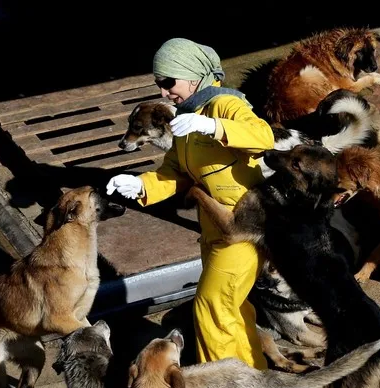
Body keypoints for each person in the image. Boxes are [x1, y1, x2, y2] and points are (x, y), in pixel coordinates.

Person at [107, 39, 273, 369]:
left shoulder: (224, 105)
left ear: (194, 76)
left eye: (169, 82)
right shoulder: (187, 117)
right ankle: (254, 376)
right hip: (215, 229)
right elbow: (175, 172)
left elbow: (263, 136)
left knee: (211, 307)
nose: (165, 93)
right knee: (232, 307)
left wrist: (215, 126)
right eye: (159, 84)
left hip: (245, 227)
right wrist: (141, 184)